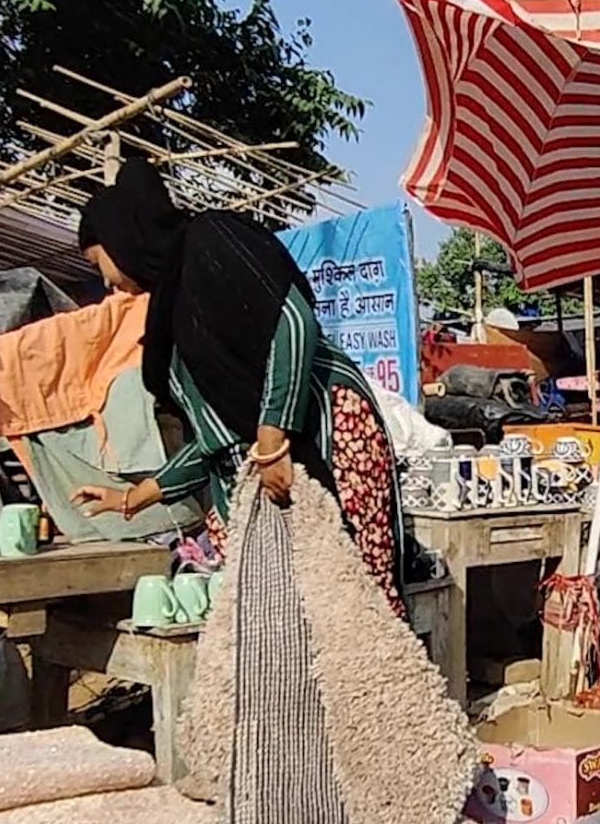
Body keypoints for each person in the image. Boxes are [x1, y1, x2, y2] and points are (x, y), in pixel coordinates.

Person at [70, 158, 403, 608]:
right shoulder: (170, 313)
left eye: (99, 264)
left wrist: (272, 436)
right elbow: (214, 437)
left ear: (121, 239)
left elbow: (291, 321)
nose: (108, 284)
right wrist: (132, 497)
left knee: (356, 600)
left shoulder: (212, 239)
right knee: (290, 621)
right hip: (271, 461)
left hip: (331, 430)